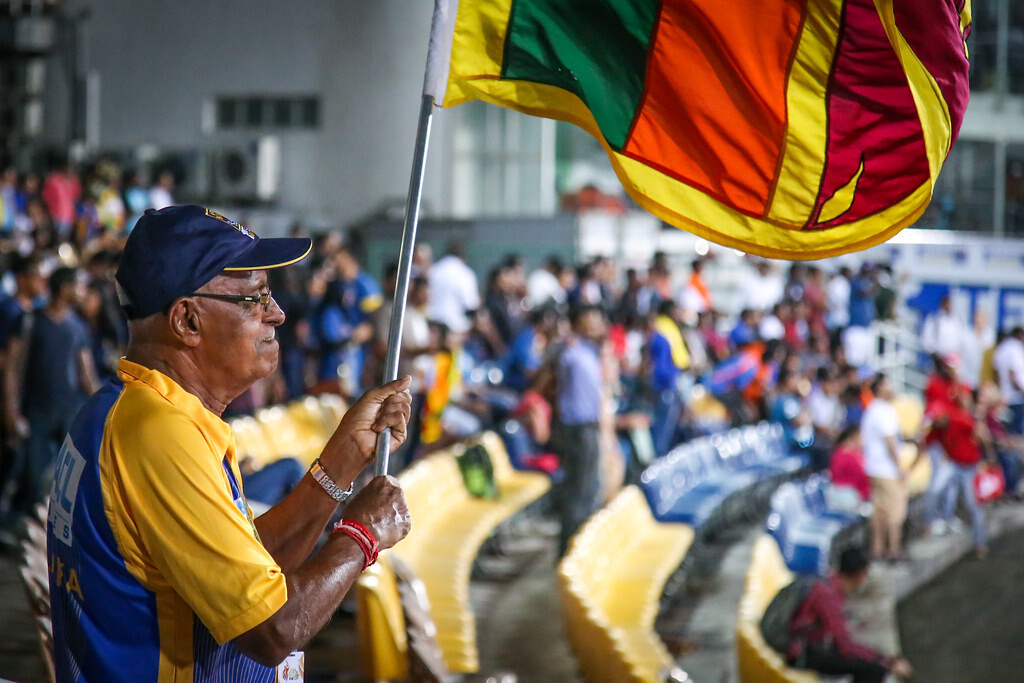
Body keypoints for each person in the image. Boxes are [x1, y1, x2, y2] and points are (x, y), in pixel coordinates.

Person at [47, 205, 413, 681]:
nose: (276, 314)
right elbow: (271, 629)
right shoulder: (159, 434)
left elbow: (238, 563)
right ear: (187, 321)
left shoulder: (135, 410)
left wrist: (344, 458)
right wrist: (362, 535)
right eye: (254, 300)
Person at [787, 547, 913, 682]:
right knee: (874, 669)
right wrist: (885, 662)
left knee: (870, 663)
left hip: (811, 648)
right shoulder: (827, 595)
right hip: (803, 655)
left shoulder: (829, 585)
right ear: (861, 574)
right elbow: (844, 645)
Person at [549, 305, 606, 556]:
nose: (596, 326)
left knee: (590, 488)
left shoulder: (590, 352)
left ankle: (579, 547)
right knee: (578, 491)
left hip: (589, 427)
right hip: (576, 429)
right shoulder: (568, 350)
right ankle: (569, 551)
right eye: (589, 321)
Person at [861, 375, 908, 561]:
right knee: (896, 512)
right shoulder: (884, 411)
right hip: (886, 470)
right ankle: (893, 551)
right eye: (888, 384)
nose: (892, 388)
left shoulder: (871, 409)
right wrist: (899, 468)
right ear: (880, 388)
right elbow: (890, 442)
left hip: (872, 468)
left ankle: (877, 550)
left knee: (879, 511)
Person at [993, 326, 1024, 435]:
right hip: (1016, 398)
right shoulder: (1015, 348)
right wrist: (1022, 391)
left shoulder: (1001, 348)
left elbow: (995, 373)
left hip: (1004, 397)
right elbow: (1013, 373)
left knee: (1007, 431)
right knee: (1017, 434)